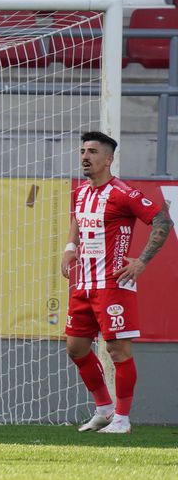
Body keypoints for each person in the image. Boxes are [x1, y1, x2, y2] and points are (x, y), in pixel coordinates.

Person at [62, 131, 172, 434]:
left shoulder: (124, 193)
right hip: (83, 283)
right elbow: (77, 219)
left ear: (109, 159)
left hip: (113, 284)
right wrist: (70, 249)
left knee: (117, 351)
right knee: (75, 348)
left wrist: (142, 261)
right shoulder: (80, 192)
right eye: (83, 151)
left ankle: (122, 419)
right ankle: (104, 409)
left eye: (93, 152)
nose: (85, 156)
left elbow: (163, 220)